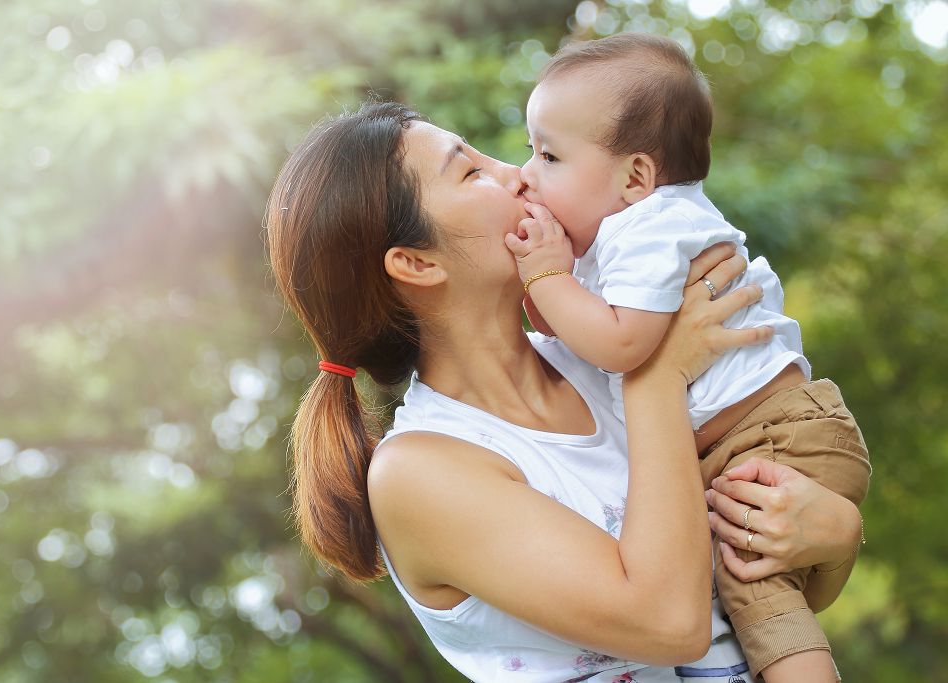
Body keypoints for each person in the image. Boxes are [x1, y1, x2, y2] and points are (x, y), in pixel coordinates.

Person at [265, 101, 865, 682]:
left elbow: (760, 593)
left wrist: (835, 536)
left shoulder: (597, 359)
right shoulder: (418, 471)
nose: (518, 175)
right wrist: (657, 374)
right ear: (417, 265)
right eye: (473, 171)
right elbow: (670, 622)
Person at [506, 34, 871, 681]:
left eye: (549, 154)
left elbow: (621, 344)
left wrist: (543, 276)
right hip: (765, 438)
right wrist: (551, 280)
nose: (527, 172)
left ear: (636, 177)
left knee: (759, 597)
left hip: (778, 434)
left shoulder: (652, 229)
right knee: (749, 589)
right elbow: (575, 338)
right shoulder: (617, 238)